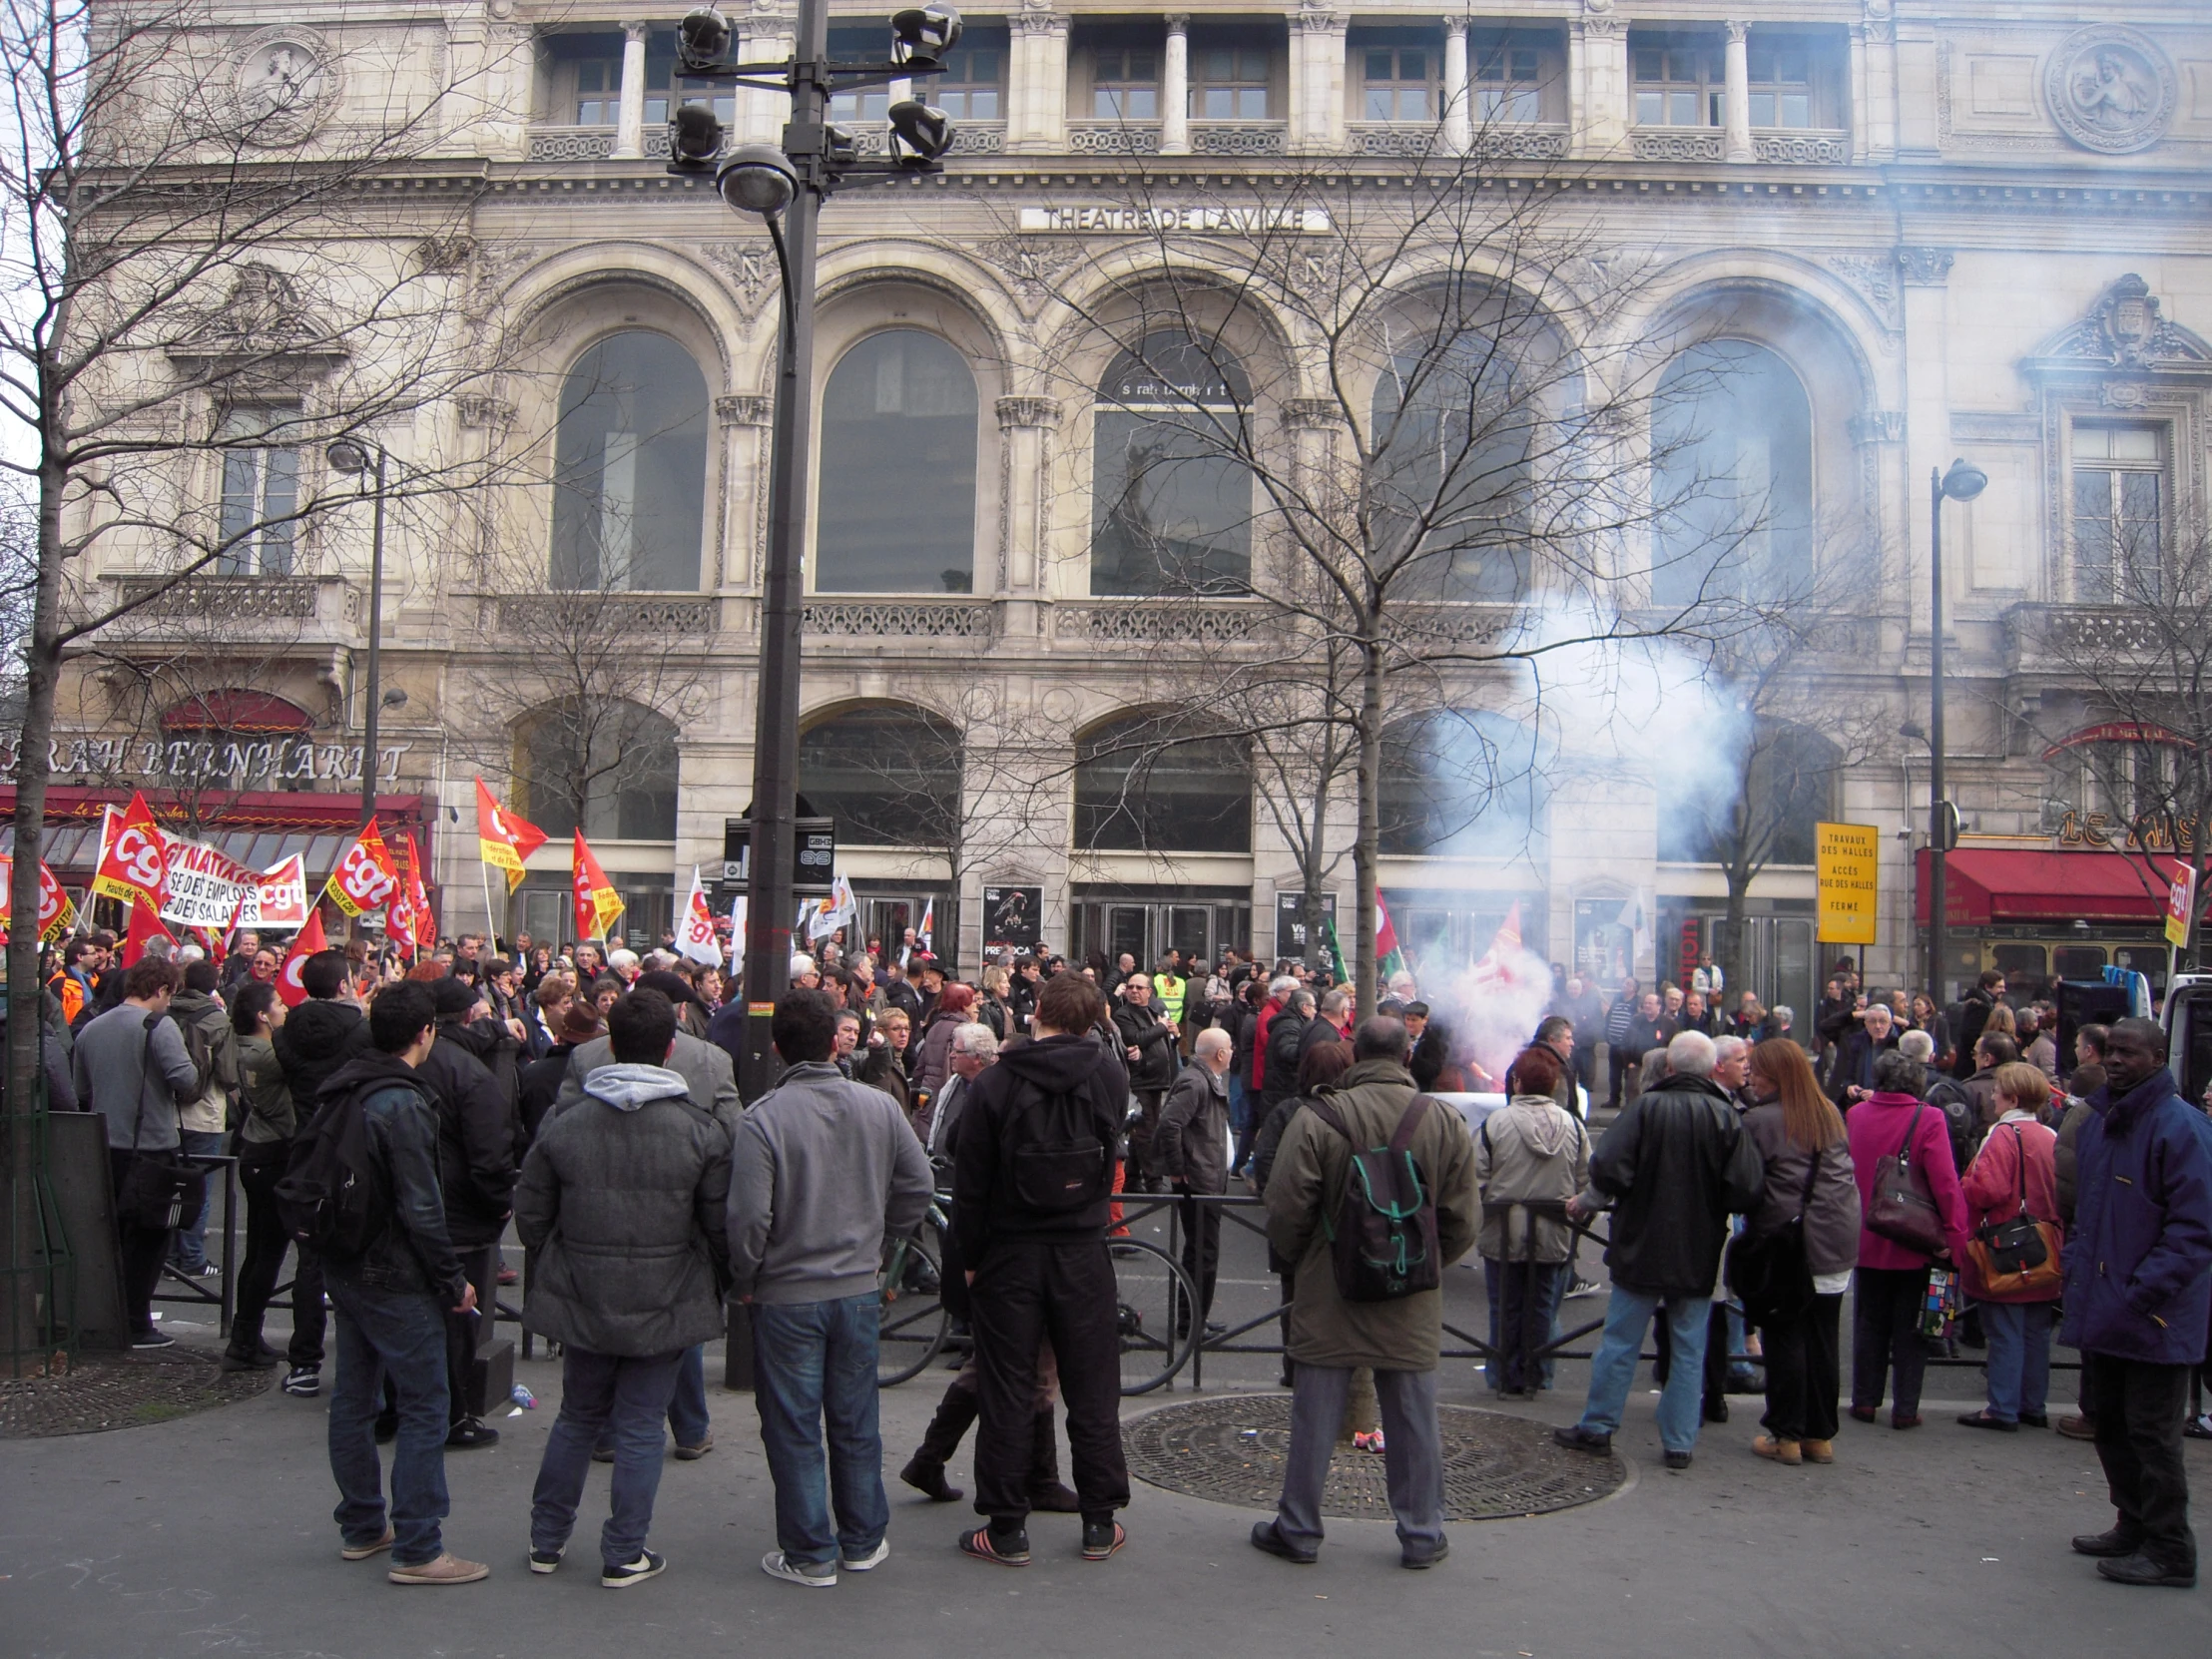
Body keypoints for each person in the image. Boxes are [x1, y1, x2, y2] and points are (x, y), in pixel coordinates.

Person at [519, 988, 733, 1588]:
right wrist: (720, 1276)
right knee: (641, 1425)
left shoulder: (567, 1119)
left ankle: (546, 1539)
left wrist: (556, 1252)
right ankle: (624, 1551)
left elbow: (531, 1211)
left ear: (609, 1045)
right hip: (666, 1295)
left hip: (583, 1287)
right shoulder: (700, 1132)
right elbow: (719, 1226)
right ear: (670, 1049)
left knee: (577, 1417)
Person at [1251, 1016, 1477, 1568]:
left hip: (1331, 1288)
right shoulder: (1442, 1120)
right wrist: (1424, 1264)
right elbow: (1463, 1220)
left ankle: (1299, 1527)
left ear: (1355, 1054)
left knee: (1315, 1415)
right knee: (1413, 1419)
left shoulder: (1317, 1116)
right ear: (1406, 1055)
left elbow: (1285, 1208)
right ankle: (1422, 1534)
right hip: (1411, 1292)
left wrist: (1310, 1259)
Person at [729, 989, 933, 1587]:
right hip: (856, 1287)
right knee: (854, 1416)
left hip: (786, 1292)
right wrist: (883, 1239)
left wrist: (746, 1276)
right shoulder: (878, 1107)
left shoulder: (762, 1118)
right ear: (834, 1041)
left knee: (792, 1425)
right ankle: (863, 1538)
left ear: (777, 1048)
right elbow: (916, 1186)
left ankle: (809, 1551)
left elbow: (747, 1218)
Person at [949, 971, 1132, 1567]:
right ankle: (1100, 1522)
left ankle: (1006, 1528)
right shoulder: (1108, 1074)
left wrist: (970, 1263)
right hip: (1082, 1248)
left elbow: (970, 1187)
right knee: (1093, 1386)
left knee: (1008, 1387)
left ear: (1038, 1014)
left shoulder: (998, 1081)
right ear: (1090, 1020)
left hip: (1011, 1250)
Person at [312, 980, 488, 1585]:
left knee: (355, 1398)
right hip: (394, 1269)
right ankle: (418, 1545)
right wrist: (452, 1280)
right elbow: (422, 1205)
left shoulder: (346, 1085)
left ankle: (363, 1525)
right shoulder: (402, 1103)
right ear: (425, 1034)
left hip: (347, 1259)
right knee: (425, 1402)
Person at [1554, 1031, 1765, 1470]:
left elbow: (1608, 1167)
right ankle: (1679, 1442)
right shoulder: (1725, 1116)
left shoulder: (1645, 1108)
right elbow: (1745, 1187)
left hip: (1640, 1242)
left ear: (1670, 1067)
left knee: (1620, 1341)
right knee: (1690, 1347)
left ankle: (1598, 1427)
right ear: (1711, 1070)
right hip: (1698, 1246)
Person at [2061, 1017, 2212, 1589]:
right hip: (2108, 1306)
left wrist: (2140, 1291)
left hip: (2153, 1314)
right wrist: (2078, 1272)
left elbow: (2194, 1232)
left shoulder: (2181, 1128)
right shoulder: (2106, 1123)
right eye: (2112, 1051)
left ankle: (2171, 1548)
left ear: (2157, 1057)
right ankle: (2134, 1523)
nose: (2117, 1060)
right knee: (2110, 1424)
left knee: (2152, 1433)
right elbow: (2088, 1215)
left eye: (2131, 1052)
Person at [1739, 1039, 1860, 1466]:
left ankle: (1785, 1435)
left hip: (1790, 1242)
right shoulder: (1829, 1113)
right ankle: (1819, 1436)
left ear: (1774, 1076)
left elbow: (1745, 1185)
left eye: (1755, 1070)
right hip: (1837, 1239)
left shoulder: (1760, 1120)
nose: (1750, 1076)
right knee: (1824, 1338)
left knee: (1785, 1335)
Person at [71, 958, 202, 1348]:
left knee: (110, 1238)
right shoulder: (159, 1027)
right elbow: (185, 1079)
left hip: (105, 1146)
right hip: (152, 1147)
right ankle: (136, 1323)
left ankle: (106, 1319)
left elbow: (81, 1088)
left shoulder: (92, 1028)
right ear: (161, 989)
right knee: (150, 1240)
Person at [1846, 1047, 1970, 1430]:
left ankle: (1865, 1401)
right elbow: (1945, 1183)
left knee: (1869, 1323)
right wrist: (1956, 1235)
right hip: (1915, 1239)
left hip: (1866, 1232)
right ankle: (1905, 1408)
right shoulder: (1929, 1118)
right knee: (1913, 1327)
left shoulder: (1855, 1115)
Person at [1476, 1044, 1590, 1397]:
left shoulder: (1495, 1124)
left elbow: (1475, 1179)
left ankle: (1504, 1374)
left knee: (1504, 1306)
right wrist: (1578, 1214)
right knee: (1541, 1305)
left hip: (1503, 1232)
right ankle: (1536, 1374)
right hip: (1553, 1232)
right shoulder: (1572, 1125)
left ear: (1517, 1082)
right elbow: (1586, 1180)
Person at [1956, 1063, 2063, 1432]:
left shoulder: (2002, 1135)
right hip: (2046, 1245)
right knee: (2036, 1330)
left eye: (1998, 1092)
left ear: (2012, 1098)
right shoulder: (2050, 1134)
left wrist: (1965, 1182)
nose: (1991, 1096)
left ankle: (2002, 1407)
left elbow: (1988, 1190)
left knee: (2004, 1331)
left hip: (2007, 1246)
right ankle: (2033, 1404)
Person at [224, 982, 296, 1373]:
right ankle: (244, 1340)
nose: (286, 1009)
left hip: (254, 1147)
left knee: (258, 1252)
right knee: (268, 1253)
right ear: (262, 1016)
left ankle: (246, 1335)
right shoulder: (269, 1055)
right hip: (273, 1151)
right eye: (280, 1005)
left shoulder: (238, 1046)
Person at [163, 958, 240, 1278]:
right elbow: (228, 1073)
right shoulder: (217, 1020)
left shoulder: (164, 1013)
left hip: (167, 1111)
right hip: (205, 1112)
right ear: (213, 984)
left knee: (169, 1187)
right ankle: (192, 1258)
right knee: (200, 1188)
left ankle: (167, 1257)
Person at [1157, 1027, 1234, 1336]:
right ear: (1220, 1054)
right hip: (1198, 1180)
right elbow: (1170, 1123)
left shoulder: (1201, 1078)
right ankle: (1191, 1322)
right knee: (1202, 1253)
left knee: (1202, 1252)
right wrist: (1177, 1169)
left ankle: (1195, 1317)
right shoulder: (1195, 1081)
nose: (1232, 1053)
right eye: (1230, 1048)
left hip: (1206, 1176)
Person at [1114, 972, 1180, 1191]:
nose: (1133, 991)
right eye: (1130, 987)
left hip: (1157, 1079)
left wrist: (1174, 1034)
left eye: (1139, 988)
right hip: (1140, 1079)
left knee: (1140, 1130)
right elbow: (1135, 1039)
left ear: (1149, 992)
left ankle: (1132, 1177)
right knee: (1147, 1131)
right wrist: (1161, 1028)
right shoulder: (1123, 1014)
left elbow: (1164, 1041)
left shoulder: (1153, 1011)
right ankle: (1154, 1180)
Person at [1828, 1000, 1899, 1108]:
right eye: (1872, 1021)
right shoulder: (1856, 1043)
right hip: (1860, 1104)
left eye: (1883, 1021)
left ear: (1890, 1023)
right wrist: (1849, 1087)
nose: (1878, 1026)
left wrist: (1877, 1094)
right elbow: (1847, 1074)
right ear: (1865, 1024)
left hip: (1887, 1106)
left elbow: (1900, 1084)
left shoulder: (1898, 1045)